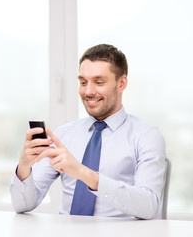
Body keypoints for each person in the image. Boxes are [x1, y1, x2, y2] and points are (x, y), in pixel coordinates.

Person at [10, 44, 166, 219]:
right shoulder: (64, 135)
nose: (89, 91)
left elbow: (149, 206)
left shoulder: (146, 135)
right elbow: (22, 205)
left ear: (121, 83)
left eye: (99, 82)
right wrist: (24, 167)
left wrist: (84, 174)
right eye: (83, 82)